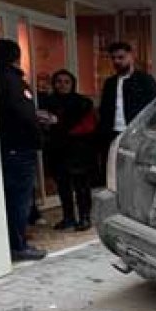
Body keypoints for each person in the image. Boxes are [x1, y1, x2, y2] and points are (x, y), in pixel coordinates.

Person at [0, 39, 47, 262]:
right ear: (16, 57)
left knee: (6, 197)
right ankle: (18, 245)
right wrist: (39, 137)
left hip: (2, 147)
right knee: (19, 199)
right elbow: (24, 115)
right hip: (19, 148)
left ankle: (8, 241)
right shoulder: (13, 82)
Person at [40, 70, 98, 232]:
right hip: (57, 151)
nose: (62, 85)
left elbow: (86, 126)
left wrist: (57, 122)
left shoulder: (83, 102)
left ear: (73, 84)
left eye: (67, 82)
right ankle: (68, 218)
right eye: (58, 81)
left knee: (81, 187)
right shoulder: (48, 102)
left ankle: (85, 217)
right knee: (63, 187)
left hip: (78, 152)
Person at [98, 42, 156, 174]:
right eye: (113, 58)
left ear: (131, 57)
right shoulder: (110, 83)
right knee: (114, 171)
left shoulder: (145, 80)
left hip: (136, 134)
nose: (117, 61)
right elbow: (104, 109)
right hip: (112, 134)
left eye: (121, 57)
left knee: (135, 170)